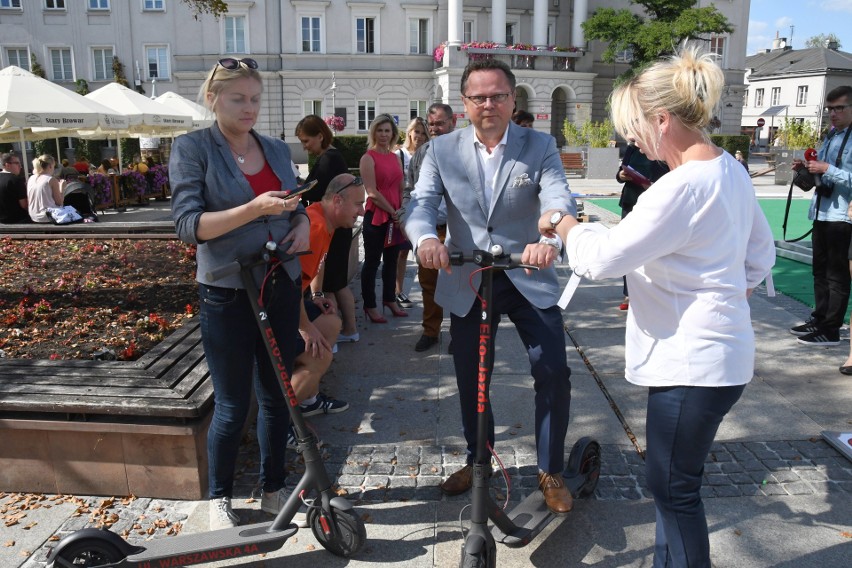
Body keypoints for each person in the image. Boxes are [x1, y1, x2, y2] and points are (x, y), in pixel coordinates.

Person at [562, 46, 775, 568]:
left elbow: (603, 257)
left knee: (674, 489)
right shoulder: (728, 169)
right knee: (673, 486)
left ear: (662, 120)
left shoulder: (681, 186)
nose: (629, 139)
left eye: (633, 126)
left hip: (692, 363)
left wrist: (568, 226)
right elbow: (760, 256)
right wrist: (716, 295)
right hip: (714, 355)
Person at [405, 59, 576, 514]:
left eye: (498, 95)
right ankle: (478, 460)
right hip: (469, 275)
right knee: (471, 376)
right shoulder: (441, 151)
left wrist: (548, 237)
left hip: (528, 273)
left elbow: (559, 196)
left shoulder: (539, 145)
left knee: (553, 371)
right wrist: (425, 239)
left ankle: (550, 468)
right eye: (478, 97)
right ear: (464, 103)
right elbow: (421, 204)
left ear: (512, 99)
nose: (489, 104)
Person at [170, 56, 310, 531]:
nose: (249, 108)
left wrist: (305, 221)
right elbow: (189, 227)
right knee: (231, 403)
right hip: (228, 290)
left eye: (255, 99)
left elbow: (294, 205)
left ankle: (275, 490)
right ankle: (218, 497)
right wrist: (251, 209)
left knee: (277, 397)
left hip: (279, 283)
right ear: (213, 99)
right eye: (238, 99)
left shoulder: (273, 146)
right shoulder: (193, 148)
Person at [287, 173, 366, 446]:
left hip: (287, 301)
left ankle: (309, 401)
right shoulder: (316, 226)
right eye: (358, 204)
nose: (362, 211)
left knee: (332, 323)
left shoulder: (324, 220)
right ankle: (281, 422)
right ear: (338, 200)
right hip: (273, 310)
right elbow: (289, 284)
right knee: (321, 356)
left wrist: (316, 295)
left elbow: (314, 267)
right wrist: (305, 326)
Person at [790, 85, 852, 347]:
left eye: (840, 108)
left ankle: (831, 329)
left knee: (837, 275)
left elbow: (842, 175)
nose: (833, 114)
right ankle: (820, 318)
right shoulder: (831, 136)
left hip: (842, 215)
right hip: (822, 212)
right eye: (830, 109)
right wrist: (808, 168)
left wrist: (828, 169)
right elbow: (823, 172)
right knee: (820, 271)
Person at [295, 114, 359, 345]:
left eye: (306, 141)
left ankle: (339, 333)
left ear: (320, 136)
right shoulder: (330, 157)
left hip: (333, 228)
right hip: (336, 227)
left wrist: (295, 189)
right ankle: (346, 330)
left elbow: (313, 192)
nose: (305, 146)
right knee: (336, 282)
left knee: (332, 284)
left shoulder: (328, 159)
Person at [401, 104, 456, 352]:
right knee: (429, 284)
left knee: (459, 285)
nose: (434, 129)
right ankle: (431, 331)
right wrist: (406, 216)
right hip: (429, 231)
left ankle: (459, 334)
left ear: (452, 122)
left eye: (440, 123)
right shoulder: (421, 153)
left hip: (458, 231)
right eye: (431, 124)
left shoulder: (464, 149)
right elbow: (410, 189)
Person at [360, 114, 407, 323]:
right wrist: (393, 211)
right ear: (374, 133)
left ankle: (390, 299)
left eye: (387, 131)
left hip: (395, 218)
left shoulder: (395, 157)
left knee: (392, 261)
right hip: (377, 216)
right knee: (371, 263)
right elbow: (371, 192)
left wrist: (402, 211)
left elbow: (401, 186)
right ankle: (370, 306)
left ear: (393, 134)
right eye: (380, 130)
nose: (384, 135)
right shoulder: (367, 158)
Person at [615, 142, 669, 310]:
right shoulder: (632, 148)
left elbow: (668, 176)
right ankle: (628, 292)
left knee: (651, 250)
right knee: (627, 247)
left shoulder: (661, 148)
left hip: (653, 203)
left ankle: (650, 291)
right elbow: (619, 174)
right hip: (630, 202)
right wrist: (622, 175)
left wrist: (650, 183)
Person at [394, 117, 429, 308]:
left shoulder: (429, 153)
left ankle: (424, 291)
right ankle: (398, 291)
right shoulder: (401, 154)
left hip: (422, 208)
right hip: (402, 208)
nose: (420, 136)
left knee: (416, 251)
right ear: (409, 132)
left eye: (423, 133)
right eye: (417, 132)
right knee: (400, 253)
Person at [27, 154, 63, 223]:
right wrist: (62, 188)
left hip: (33, 215)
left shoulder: (31, 178)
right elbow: (59, 203)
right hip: (48, 216)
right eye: (53, 167)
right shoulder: (51, 179)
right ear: (50, 166)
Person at [0, 152, 30, 224]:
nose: (20, 166)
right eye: (17, 163)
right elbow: (24, 205)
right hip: (18, 220)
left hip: (1, 222)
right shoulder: (16, 180)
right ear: (7, 165)